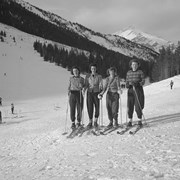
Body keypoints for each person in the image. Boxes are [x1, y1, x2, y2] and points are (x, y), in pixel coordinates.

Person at [126, 59, 145, 127]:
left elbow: (143, 81)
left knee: (138, 105)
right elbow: (127, 81)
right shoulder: (128, 72)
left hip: (138, 90)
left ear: (138, 65)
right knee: (130, 105)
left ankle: (139, 120)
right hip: (131, 90)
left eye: (136, 64)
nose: (134, 66)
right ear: (131, 65)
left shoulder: (140, 72)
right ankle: (130, 120)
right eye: (133, 64)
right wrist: (127, 85)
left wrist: (137, 84)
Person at [84, 64, 103, 129]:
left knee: (97, 106)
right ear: (90, 69)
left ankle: (95, 121)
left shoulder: (99, 76)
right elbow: (86, 84)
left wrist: (100, 92)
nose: (93, 70)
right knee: (89, 107)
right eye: (92, 68)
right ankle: (90, 121)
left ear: (96, 69)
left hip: (96, 92)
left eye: (94, 68)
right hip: (89, 92)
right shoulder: (87, 76)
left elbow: (100, 84)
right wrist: (84, 89)